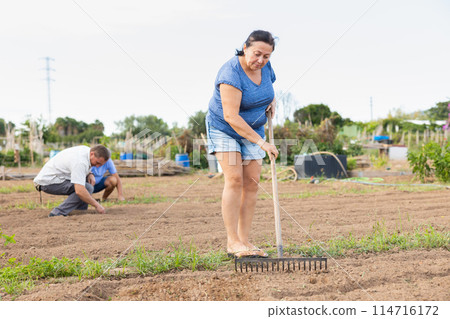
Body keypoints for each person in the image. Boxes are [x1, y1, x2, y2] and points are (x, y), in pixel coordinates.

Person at [206, 30, 279, 258]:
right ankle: (232, 242)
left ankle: (245, 242)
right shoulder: (231, 73)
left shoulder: (265, 67)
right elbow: (231, 116)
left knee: (252, 184)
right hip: (225, 128)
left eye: (266, 56)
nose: (261, 60)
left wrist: (272, 100)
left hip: (255, 127)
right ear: (245, 47)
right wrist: (262, 142)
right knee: (235, 179)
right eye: (257, 54)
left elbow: (269, 87)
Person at [33, 145, 109, 217]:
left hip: (58, 177)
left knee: (86, 183)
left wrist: (90, 173)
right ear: (92, 154)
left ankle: (80, 211)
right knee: (87, 188)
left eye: (100, 164)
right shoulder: (80, 162)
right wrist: (97, 205)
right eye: (97, 163)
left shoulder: (86, 151)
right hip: (47, 182)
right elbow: (79, 190)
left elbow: (81, 169)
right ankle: (57, 212)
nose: (97, 166)